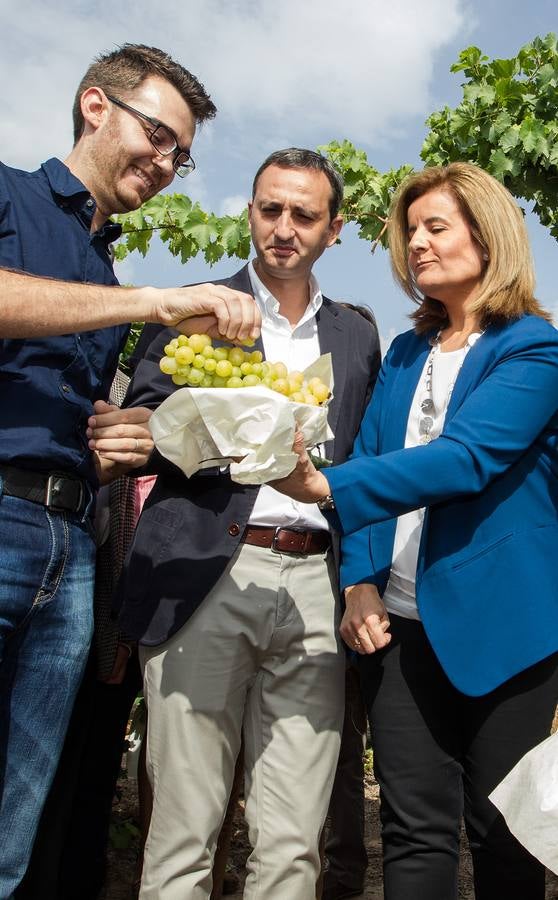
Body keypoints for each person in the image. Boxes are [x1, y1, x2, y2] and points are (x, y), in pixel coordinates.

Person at [0, 42, 259, 899]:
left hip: (70, 546)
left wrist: (121, 436)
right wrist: (156, 300)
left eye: (181, 156)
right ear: (94, 106)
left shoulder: (102, 266)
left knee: (17, 824)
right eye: (159, 134)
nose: (167, 161)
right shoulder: (6, 194)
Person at [272, 161, 558, 900]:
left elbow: (464, 460)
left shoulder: (534, 349)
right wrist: (360, 580)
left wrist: (322, 485)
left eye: (437, 227)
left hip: (506, 632)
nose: (418, 244)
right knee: (412, 832)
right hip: (396, 630)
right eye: (412, 230)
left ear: (488, 237)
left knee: (505, 838)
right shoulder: (403, 352)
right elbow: (372, 457)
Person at [110, 148, 381, 900]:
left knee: (294, 844)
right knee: (182, 836)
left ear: (335, 229)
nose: (283, 228)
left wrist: (359, 578)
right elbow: (147, 419)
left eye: (303, 214)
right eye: (270, 209)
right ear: (251, 211)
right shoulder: (197, 309)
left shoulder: (359, 337)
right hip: (205, 576)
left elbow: (365, 466)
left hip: (316, 594)